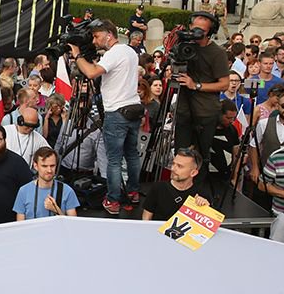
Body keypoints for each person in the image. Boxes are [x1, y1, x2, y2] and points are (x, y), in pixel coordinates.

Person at [68, 19, 142, 214]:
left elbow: (91, 73)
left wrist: (77, 56)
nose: (94, 41)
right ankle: (134, 192)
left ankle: (113, 200)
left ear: (109, 34)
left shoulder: (114, 53)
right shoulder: (130, 51)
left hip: (117, 112)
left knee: (114, 159)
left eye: (97, 36)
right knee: (132, 154)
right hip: (134, 109)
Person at [172, 12, 231, 177]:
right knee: (181, 154)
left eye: (201, 31)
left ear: (209, 32)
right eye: (194, 28)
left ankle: (198, 191)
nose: (195, 33)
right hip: (183, 110)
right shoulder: (183, 46)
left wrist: (196, 85)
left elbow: (224, 84)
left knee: (200, 156)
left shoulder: (217, 53)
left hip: (205, 112)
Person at [142, 148, 212, 221]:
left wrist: (206, 210)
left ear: (193, 173)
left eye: (180, 166)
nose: (172, 168)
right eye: (173, 164)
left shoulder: (202, 193)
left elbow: (207, 226)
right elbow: (146, 219)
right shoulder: (158, 188)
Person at [14, 147, 80, 220]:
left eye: (52, 166)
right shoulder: (24, 191)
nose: (49, 170)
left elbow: (73, 225)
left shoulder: (67, 191)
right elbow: (20, 225)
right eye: (44, 166)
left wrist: (56, 210)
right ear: (35, 166)